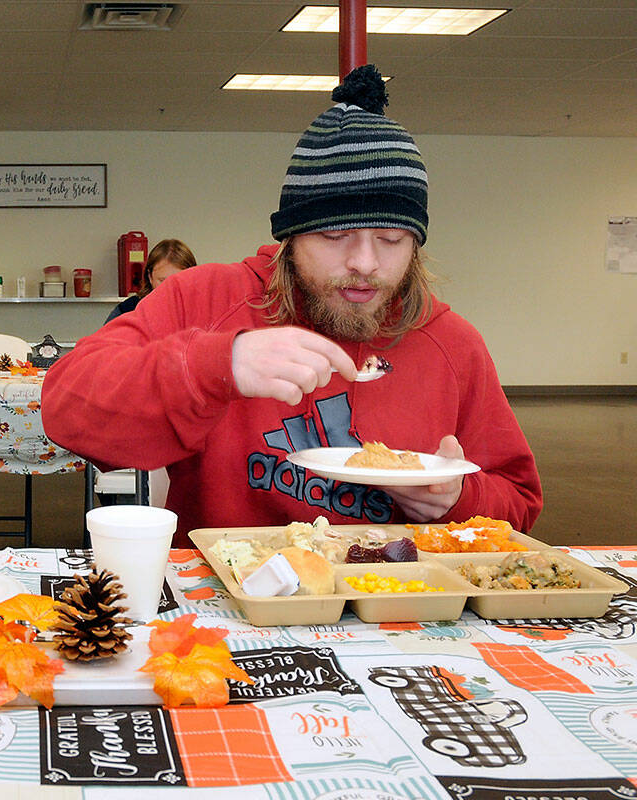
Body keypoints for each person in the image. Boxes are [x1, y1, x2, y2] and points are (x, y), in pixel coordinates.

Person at [44, 66, 541, 545]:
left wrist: (456, 499)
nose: (365, 262)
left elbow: (519, 500)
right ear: (290, 238)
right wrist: (218, 365)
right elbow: (67, 408)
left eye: (391, 239)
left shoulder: (451, 343)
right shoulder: (209, 299)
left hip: (397, 607)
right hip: (225, 605)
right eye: (334, 234)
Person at [105, 239, 197, 323]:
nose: (170, 288)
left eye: (178, 281)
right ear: (150, 277)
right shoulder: (128, 310)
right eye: (162, 281)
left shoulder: (203, 310)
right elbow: (104, 340)